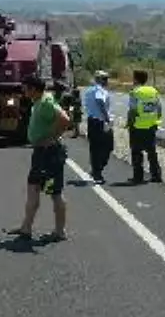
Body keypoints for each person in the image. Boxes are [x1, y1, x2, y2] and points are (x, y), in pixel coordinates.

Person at [8, 73, 72, 242]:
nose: (23, 91)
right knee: (33, 188)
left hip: (49, 154)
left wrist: (51, 138)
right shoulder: (39, 101)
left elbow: (65, 119)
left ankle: (60, 231)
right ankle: (26, 227)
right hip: (41, 154)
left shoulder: (44, 103)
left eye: (25, 88)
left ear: (33, 89)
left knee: (54, 192)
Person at [127, 68, 163, 183]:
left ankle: (138, 177)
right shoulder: (153, 91)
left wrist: (130, 123)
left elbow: (132, 110)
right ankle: (156, 175)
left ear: (136, 79)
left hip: (138, 125)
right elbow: (159, 107)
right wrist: (157, 121)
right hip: (151, 125)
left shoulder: (135, 92)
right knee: (151, 152)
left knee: (136, 152)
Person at [82, 70, 114, 183]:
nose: (106, 81)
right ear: (99, 79)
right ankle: (97, 173)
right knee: (105, 146)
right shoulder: (99, 90)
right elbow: (100, 101)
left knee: (97, 147)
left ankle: (96, 170)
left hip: (93, 121)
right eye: (104, 79)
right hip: (100, 121)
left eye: (106, 78)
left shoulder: (90, 90)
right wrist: (107, 118)